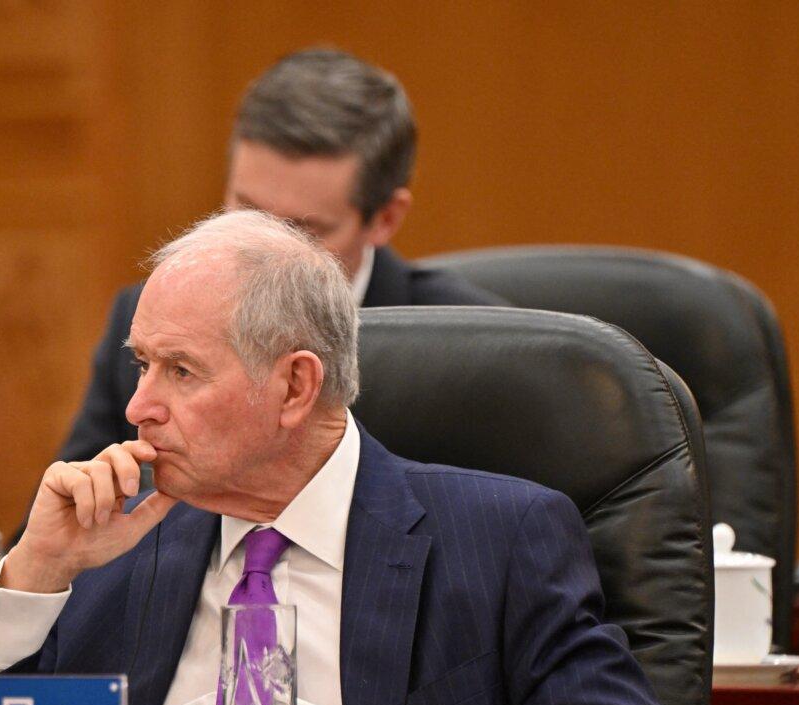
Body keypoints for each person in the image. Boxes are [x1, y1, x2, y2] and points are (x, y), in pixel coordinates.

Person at [0, 210, 680, 705]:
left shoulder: (502, 539)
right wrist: (35, 575)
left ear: (295, 385)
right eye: (142, 364)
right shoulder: (113, 540)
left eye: (180, 372)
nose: (138, 408)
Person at [46, 48, 507, 491]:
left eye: (303, 230)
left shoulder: (478, 351)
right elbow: (65, 523)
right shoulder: (158, 326)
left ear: (385, 218)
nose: (263, 249)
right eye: (245, 211)